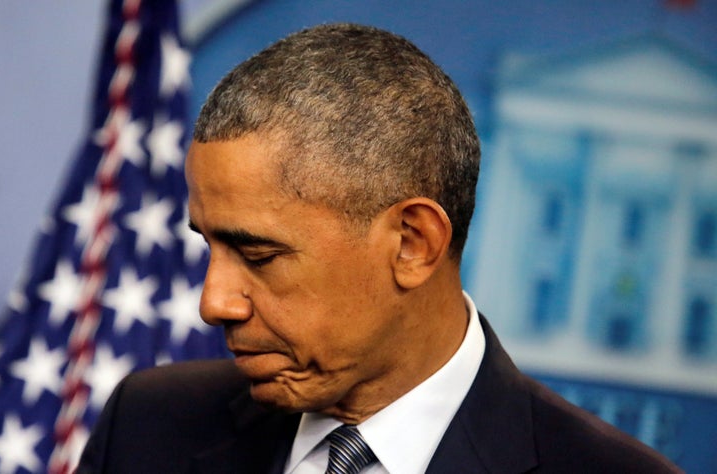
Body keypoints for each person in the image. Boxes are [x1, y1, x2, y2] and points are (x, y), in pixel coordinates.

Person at [77, 23, 682, 473]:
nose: (215, 303)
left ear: (413, 244)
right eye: (209, 246)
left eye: (258, 257)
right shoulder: (147, 426)